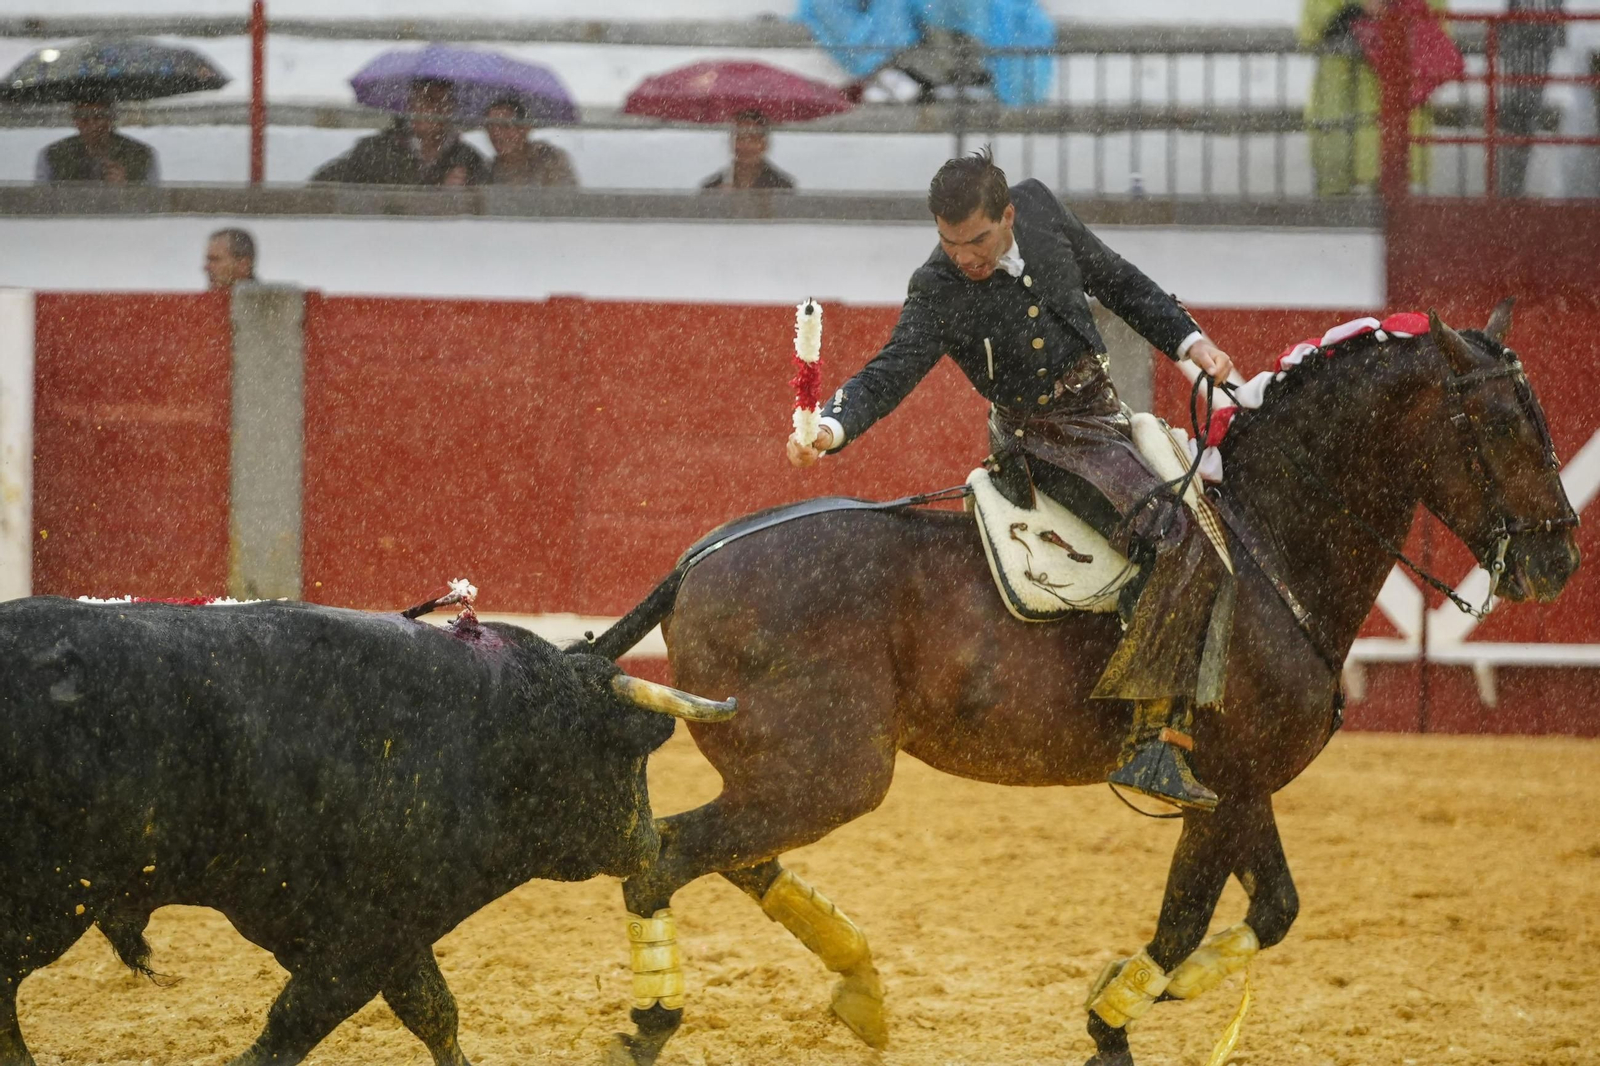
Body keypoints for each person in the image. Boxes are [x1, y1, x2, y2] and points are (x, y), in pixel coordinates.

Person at [787, 149, 1236, 810]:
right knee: (1169, 535)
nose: (963, 258)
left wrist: (1190, 343)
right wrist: (830, 428)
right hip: (1041, 440)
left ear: (1008, 216)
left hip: (1106, 416)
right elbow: (892, 370)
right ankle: (1151, 742)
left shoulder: (1043, 213)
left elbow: (1119, 280)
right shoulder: (938, 286)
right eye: (948, 243)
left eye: (976, 241)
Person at [1301, 0, 1444, 196]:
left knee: (1394, 201)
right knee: (1341, 201)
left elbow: (1436, 26)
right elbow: (1317, 22)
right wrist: (1358, 11)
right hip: (1346, 105)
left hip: (1391, 110)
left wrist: (1390, 10)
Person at [311, 78, 489, 187]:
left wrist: (464, 195)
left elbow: (487, 203)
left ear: (451, 109)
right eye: (426, 100)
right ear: (409, 106)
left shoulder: (468, 159)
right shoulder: (375, 150)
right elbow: (322, 184)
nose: (433, 109)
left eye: (442, 101)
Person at [1499, 0, 1565, 196]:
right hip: (1529, 37)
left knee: (1521, 115)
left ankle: (1513, 190)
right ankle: (1512, 190)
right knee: (1520, 114)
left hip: (1531, 36)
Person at [34, 99, 159, 185]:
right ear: (76, 121)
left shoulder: (141, 155)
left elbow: (153, 201)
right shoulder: (52, 155)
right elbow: (43, 201)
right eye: (84, 118)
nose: (92, 125)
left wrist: (126, 188)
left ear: (111, 119)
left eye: (98, 117)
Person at [484, 96, 578, 187]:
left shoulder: (550, 159)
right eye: (490, 126)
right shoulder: (487, 170)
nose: (495, 133)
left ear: (525, 128)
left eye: (505, 126)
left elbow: (564, 197)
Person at [701, 111, 795, 191]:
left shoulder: (782, 187)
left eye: (752, 139)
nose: (745, 146)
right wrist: (720, 203)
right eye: (740, 137)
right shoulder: (713, 187)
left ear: (764, 144)